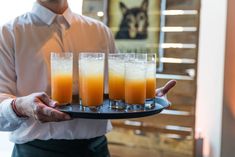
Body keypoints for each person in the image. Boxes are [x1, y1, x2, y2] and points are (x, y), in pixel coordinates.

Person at [0, 0, 176, 157]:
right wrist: (19, 106)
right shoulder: (9, 33)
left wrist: (145, 95)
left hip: (95, 150)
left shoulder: (100, 31)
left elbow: (117, 90)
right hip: (35, 152)